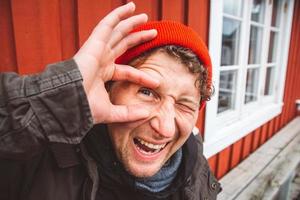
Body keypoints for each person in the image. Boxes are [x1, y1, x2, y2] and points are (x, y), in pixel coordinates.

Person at [0, 2, 221, 200]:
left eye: (184, 105)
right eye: (146, 92)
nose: (164, 128)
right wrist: (61, 99)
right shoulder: (36, 161)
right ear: (109, 89)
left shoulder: (195, 171)